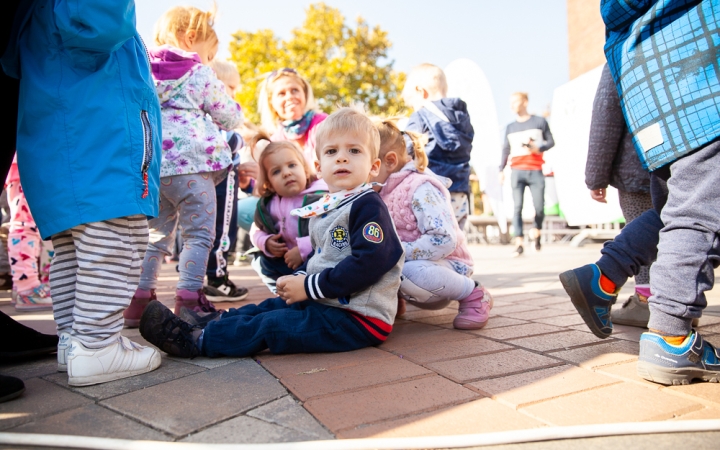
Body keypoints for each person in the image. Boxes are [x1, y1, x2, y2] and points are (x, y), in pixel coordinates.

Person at [139, 108, 404, 358]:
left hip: (358, 318)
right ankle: (216, 321)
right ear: (319, 167)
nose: (342, 157)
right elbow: (323, 257)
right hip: (330, 303)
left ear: (373, 166)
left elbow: (370, 262)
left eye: (354, 151)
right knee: (270, 307)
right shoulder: (329, 206)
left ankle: (197, 340)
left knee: (274, 325)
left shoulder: (368, 205)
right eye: (332, 151)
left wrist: (309, 287)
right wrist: (299, 278)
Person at [2, 0, 163, 386]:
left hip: (60, 158)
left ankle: (74, 342)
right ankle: (97, 346)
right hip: (101, 145)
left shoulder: (30, 16)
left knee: (72, 252)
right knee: (118, 239)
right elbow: (104, 20)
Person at [561, 0, 720, 385]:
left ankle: (605, 275)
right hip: (704, 86)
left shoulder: (630, 27)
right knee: (697, 213)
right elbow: (604, 112)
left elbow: (607, 107)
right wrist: (595, 174)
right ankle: (672, 334)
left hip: (659, 125)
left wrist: (595, 172)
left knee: (677, 211)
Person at [125, 5, 244, 326]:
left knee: (156, 236)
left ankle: (139, 302)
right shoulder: (200, 74)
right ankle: (190, 300)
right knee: (198, 235)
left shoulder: (142, 71)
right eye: (208, 53)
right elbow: (229, 116)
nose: (208, 59)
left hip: (154, 171)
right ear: (191, 38)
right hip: (195, 169)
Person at [372, 119, 493, 329]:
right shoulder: (378, 193)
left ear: (389, 161)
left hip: (447, 267)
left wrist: (394, 253)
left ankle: (473, 292)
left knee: (409, 272)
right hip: (408, 268)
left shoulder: (420, 188)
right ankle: (393, 301)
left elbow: (444, 239)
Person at [585, 64, 654, 327]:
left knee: (642, 232)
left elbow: (605, 115)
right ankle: (681, 305)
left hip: (638, 163)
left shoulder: (623, 51)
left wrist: (596, 175)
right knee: (683, 233)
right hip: (690, 160)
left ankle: (646, 301)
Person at [403, 64, 474, 231]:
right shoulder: (463, 117)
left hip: (431, 191)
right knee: (456, 240)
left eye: (412, 102)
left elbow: (405, 149)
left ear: (421, 92)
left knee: (431, 238)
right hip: (461, 193)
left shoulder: (420, 116)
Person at [248, 141, 327, 294]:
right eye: (276, 171)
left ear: (304, 170)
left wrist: (304, 250)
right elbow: (256, 230)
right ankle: (280, 292)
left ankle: (313, 292)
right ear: (269, 184)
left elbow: (329, 231)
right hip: (286, 260)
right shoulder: (269, 204)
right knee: (260, 261)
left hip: (315, 259)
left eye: (292, 165)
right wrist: (266, 242)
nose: (286, 173)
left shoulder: (320, 198)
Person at [202, 59, 249, 302]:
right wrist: (243, 139)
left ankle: (206, 277)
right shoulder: (218, 119)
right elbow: (229, 142)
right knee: (222, 231)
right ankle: (218, 280)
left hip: (206, 183)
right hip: (222, 183)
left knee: (204, 232)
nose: (234, 94)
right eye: (230, 88)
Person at [499, 92, 554, 256]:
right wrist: (500, 170)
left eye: (515, 102)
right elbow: (505, 150)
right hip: (517, 170)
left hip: (535, 169)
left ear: (525, 102)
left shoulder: (539, 122)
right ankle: (519, 242)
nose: (512, 106)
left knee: (539, 206)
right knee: (517, 207)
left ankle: (536, 231)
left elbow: (551, 141)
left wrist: (540, 148)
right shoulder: (510, 127)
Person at [5, 154, 52, 311]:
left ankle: (29, 286)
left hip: (36, 160)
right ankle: (27, 289)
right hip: (27, 161)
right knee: (25, 224)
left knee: (43, 226)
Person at [258, 68, 328, 168]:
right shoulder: (274, 143)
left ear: (305, 94)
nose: (289, 97)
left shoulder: (325, 124)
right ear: (271, 102)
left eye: (295, 90)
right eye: (281, 93)